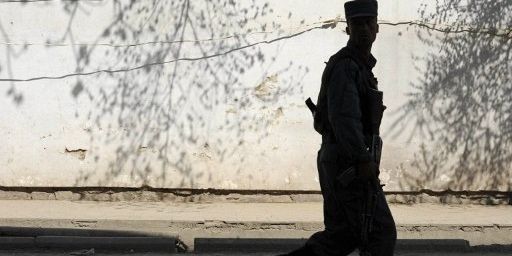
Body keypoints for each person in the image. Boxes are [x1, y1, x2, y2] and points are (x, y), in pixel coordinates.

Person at [281, 1, 397, 255]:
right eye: (357, 24)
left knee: (342, 236)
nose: (364, 29)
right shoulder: (346, 67)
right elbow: (345, 120)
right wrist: (362, 158)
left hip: (341, 160)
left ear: (377, 27)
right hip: (347, 162)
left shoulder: (359, 66)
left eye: (369, 23)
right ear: (348, 29)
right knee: (380, 232)